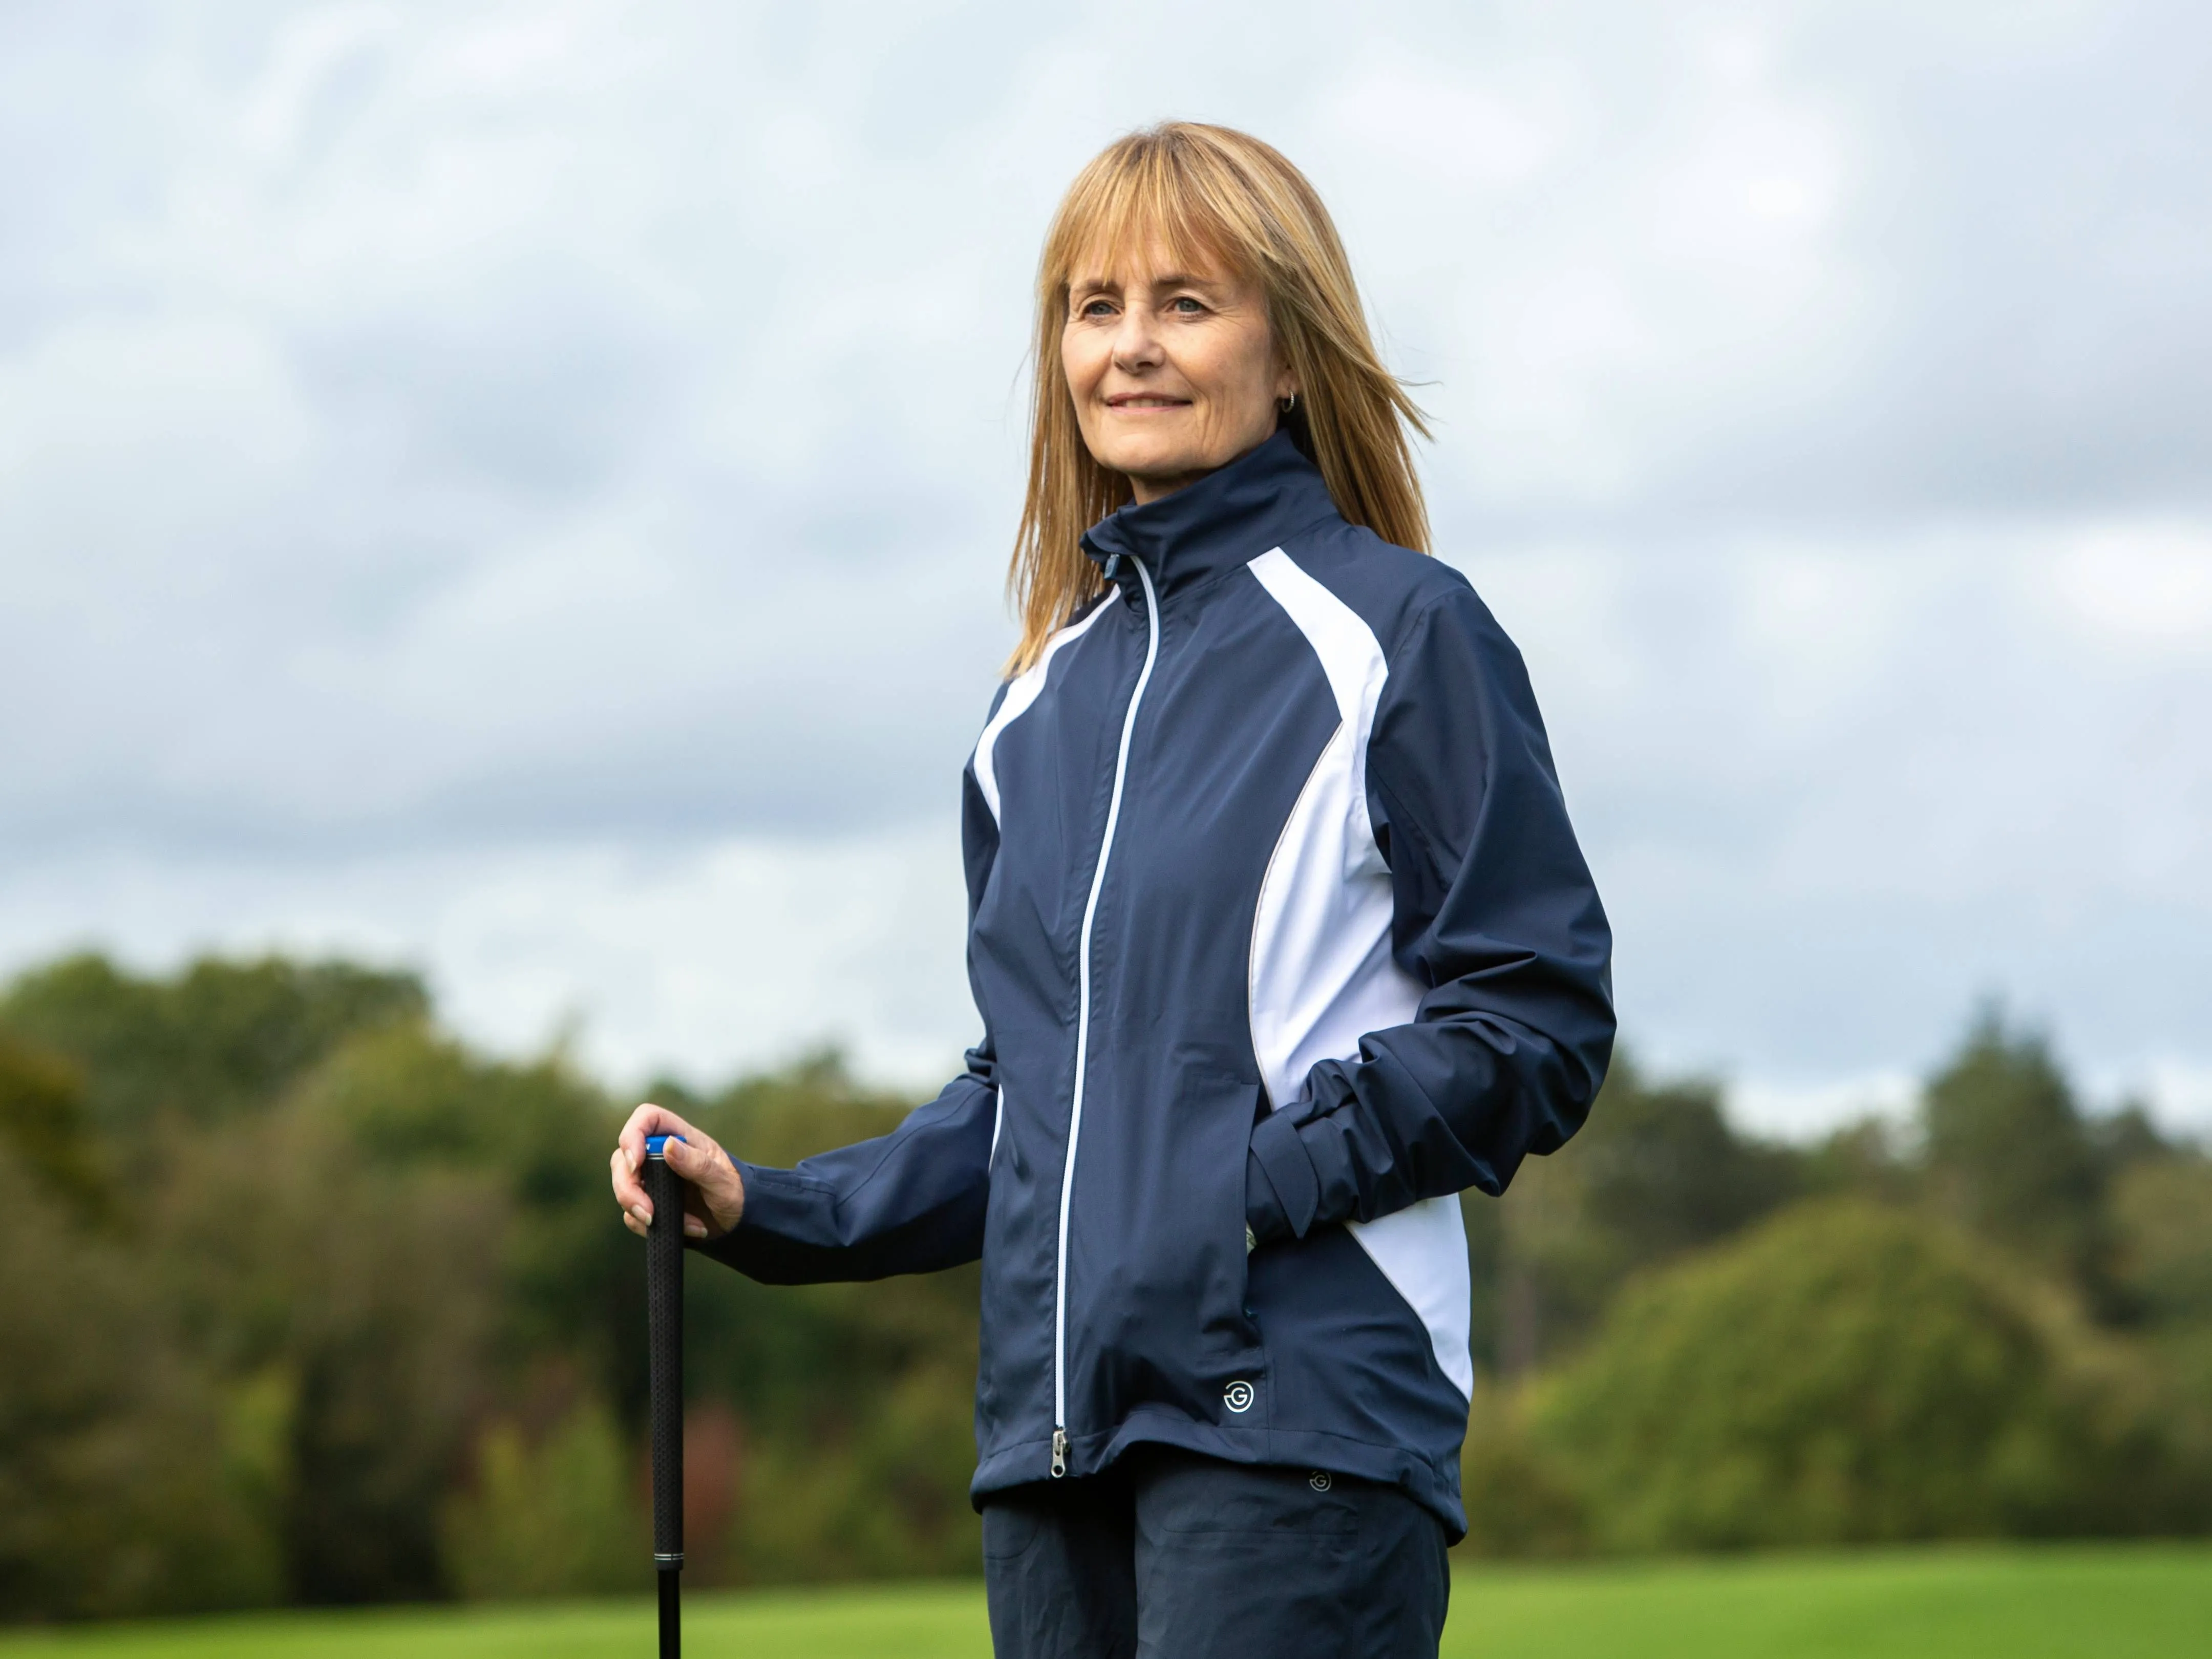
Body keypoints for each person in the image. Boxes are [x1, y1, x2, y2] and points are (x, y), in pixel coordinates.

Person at [610, 120, 1613, 1658]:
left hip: (1302, 1429)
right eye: (1096, 307)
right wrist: (776, 1208)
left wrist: (1233, 1191)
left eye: (1185, 303)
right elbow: (1032, 1103)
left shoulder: (1402, 635)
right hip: (1051, 1449)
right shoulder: (1030, 710)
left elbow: (1534, 1020)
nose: (1131, 346)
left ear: (1291, 355)